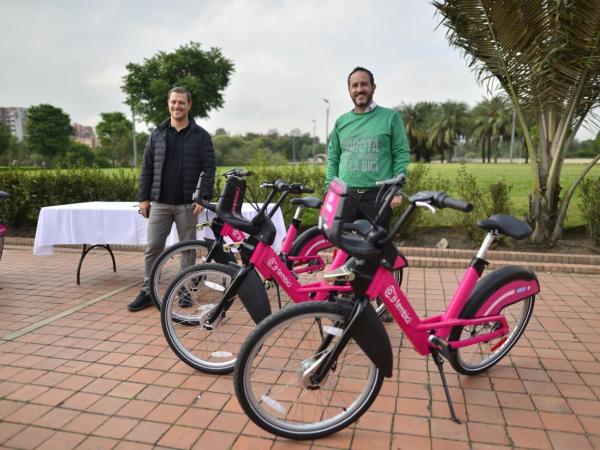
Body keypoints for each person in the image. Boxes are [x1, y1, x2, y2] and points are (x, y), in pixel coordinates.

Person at [325, 66, 410, 320]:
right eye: (355, 86)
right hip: (347, 196)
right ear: (349, 90)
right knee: (346, 250)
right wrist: (330, 190)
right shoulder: (341, 122)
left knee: (377, 253)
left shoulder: (390, 118)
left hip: (379, 196)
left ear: (373, 87)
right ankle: (347, 300)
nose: (359, 89)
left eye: (364, 84)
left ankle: (385, 304)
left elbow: (401, 154)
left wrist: (397, 189)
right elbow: (333, 159)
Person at [128, 86, 216, 312]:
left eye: (181, 103)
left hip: (188, 204)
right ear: (169, 104)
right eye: (173, 102)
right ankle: (148, 291)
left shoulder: (201, 136)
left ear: (189, 105)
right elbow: (147, 167)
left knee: (187, 248)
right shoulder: (157, 134)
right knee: (153, 248)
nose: (177, 106)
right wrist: (143, 198)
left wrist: (203, 197)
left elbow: (209, 168)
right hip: (159, 202)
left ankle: (185, 290)